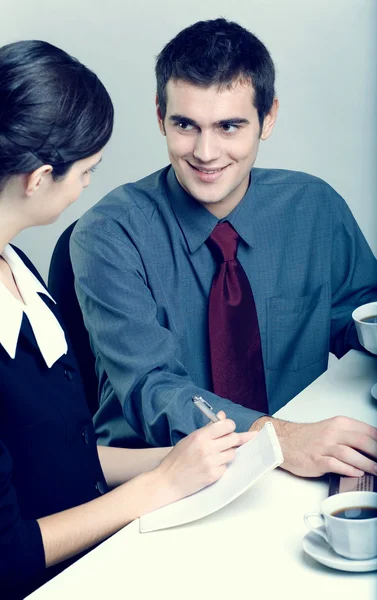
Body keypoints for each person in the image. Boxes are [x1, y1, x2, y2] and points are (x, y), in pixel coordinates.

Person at [0, 40, 253, 600]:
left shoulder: (16, 265)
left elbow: (53, 453)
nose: (91, 184)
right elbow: (7, 556)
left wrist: (182, 459)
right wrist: (161, 484)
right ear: (39, 178)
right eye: (87, 170)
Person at [71, 18, 377, 480]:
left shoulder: (315, 207)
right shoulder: (110, 234)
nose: (206, 152)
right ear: (160, 116)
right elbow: (154, 389)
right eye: (185, 125)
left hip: (292, 473)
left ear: (268, 118)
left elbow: (360, 317)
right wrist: (276, 441)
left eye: (229, 126)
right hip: (156, 484)